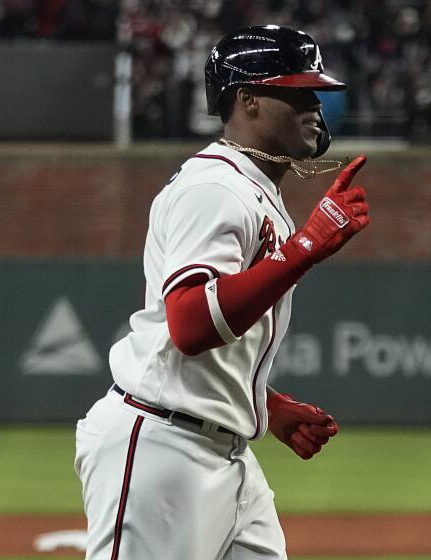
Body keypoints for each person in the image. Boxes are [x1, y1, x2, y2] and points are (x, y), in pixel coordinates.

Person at [74, 25, 369, 560]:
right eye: (296, 91)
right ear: (247, 99)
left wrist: (266, 403)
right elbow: (188, 325)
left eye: (314, 92)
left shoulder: (251, 186)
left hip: (224, 452)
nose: (313, 105)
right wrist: (304, 247)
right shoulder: (214, 187)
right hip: (162, 449)